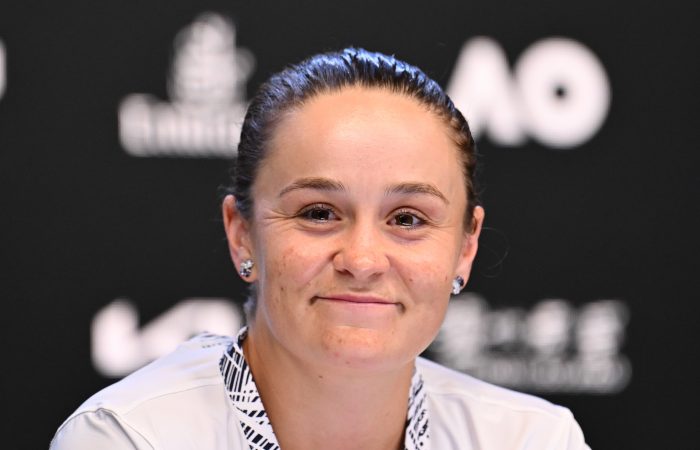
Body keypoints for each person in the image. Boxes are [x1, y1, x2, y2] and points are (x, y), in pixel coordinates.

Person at [51, 48, 590, 449]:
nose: (362, 260)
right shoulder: (130, 438)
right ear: (241, 233)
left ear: (465, 247)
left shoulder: (534, 441)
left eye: (407, 219)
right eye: (318, 213)